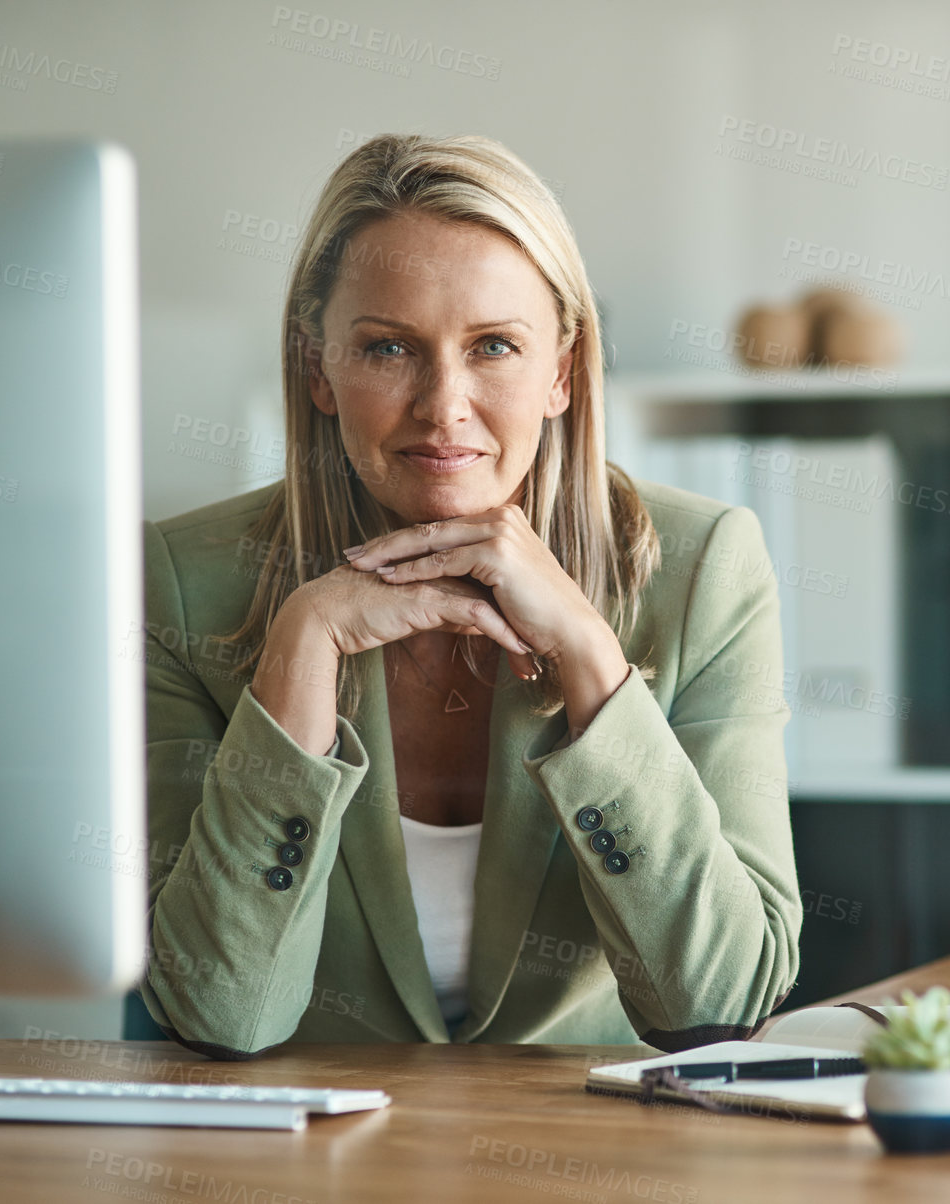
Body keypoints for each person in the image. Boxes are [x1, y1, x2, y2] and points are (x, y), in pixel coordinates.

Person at [136, 134, 800, 1059]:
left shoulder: (703, 568)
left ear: (561, 371)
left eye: (494, 346)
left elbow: (721, 1000)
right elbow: (220, 1017)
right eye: (388, 349)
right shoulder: (179, 581)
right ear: (318, 370)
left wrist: (588, 654)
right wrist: (302, 644)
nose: (443, 405)